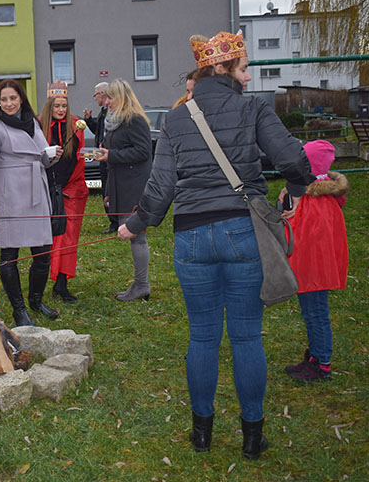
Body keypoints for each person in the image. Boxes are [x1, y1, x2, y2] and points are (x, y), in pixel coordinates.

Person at [118, 31, 314, 459]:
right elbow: (292, 158)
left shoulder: (176, 118)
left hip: (191, 238)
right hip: (243, 232)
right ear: (223, 67)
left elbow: (160, 186)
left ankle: (202, 433)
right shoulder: (252, 107)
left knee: (202, 338)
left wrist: (136, 223)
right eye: (241, 66)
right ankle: (251, 436)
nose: (246, 76)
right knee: (246, 338)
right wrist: (296, 189)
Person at [0, 79, 62, 326]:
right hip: (9, 196)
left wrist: (52, 155)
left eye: (13, 98)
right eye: (4, 99)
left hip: (36, 192)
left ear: (21, 99)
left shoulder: (32, 122)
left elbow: (43, 158)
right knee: (10, 255)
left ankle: (36, 301)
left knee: (42, 253)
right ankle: (19, 310)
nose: (9, 103)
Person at [282, 140, 348, 382]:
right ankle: (315, 357)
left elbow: (302, 234)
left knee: (316, 314)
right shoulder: (319, 198)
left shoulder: (314, 202)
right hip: (314, 267)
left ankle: (322, 364)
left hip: (313, 269)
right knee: (312, 313)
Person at [94, 79, 153, 302]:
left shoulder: (134, 120)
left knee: (137, 236)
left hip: (134, 186)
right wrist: (109, 190)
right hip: (120, 184)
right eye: (105, 97)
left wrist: (112, 155)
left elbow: (144, 151)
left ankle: (141, 285)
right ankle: (140, 284)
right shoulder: (114, 122)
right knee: (134, 236)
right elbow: (112, 158)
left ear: (122, 96)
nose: (106, 102)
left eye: (110, 97)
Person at [38, 81, 88, 304]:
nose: (61, 110)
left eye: (64, 106)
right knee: (49, 238)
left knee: (68, 239)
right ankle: (42, 281)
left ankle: (62, 283)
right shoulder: (39, 127)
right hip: (47, 189)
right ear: (50, 106)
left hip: (71, 190)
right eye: (57, 106)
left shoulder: (76, 127)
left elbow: (78, 159)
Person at [84, 82, 116, 234]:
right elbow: (99, 131)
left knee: (111, 188)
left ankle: (116, 221)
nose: (95, 98)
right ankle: (112, 221)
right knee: (105, 187)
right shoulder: (103, 112)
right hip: (102, 157)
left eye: (96, 95)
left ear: (102, 94)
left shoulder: (112, 112)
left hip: (111, 157)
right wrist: (89, 120)